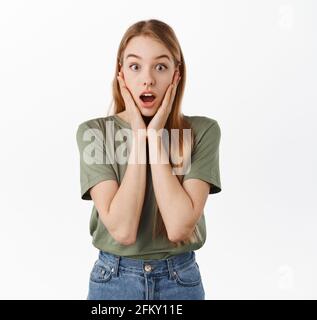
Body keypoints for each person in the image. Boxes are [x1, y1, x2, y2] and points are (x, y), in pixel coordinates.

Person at [75, 19, 222, 300]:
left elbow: (179, 226)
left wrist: (154, 138)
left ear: (176, 75)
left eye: (161, 66)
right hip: (114, 280)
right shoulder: (95, 133)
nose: (148, 79)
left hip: (180, 280)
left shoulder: (203, 132)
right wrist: (139, 134)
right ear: (121, 73)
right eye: (135, 66)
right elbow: (123, 230)